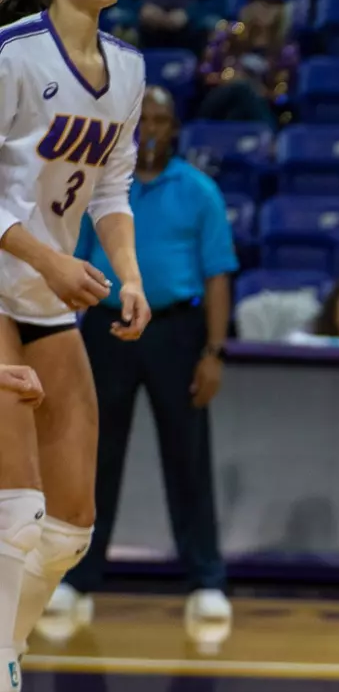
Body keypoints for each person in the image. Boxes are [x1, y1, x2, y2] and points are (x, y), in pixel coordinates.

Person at [0, 0, 152, 692]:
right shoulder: (13, 53)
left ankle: (0, 670)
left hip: (52, 298)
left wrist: (128, 273)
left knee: (69, 527)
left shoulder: (128, 67)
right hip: (7, 283)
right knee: (16, 514)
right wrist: (50, 258)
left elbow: (114, 187)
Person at [52, 86, 236, 648]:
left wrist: (212, 352)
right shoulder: (106, 188)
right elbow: (73, 260)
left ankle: (205, 581)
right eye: (143, 120)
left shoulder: (200, 191)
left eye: (161, 119)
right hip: (107, 326)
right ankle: (78, 579)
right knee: (95, 456)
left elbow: (218, 275)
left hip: (177, 330)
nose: (152, 128)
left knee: (187, 455)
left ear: (176, 129)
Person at [195, 0, 298, 125]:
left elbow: (282, 97)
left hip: (257, 107)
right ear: (249, 6)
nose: (265, 9)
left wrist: (258, 90)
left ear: (281, 11)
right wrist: (226, 80)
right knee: (241, 89)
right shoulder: (227, 36)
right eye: (260, 3)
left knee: (241, 105)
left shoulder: (285, 50)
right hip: (219, 103)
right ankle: (268, 133)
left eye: (272, 4)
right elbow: (204, 74)